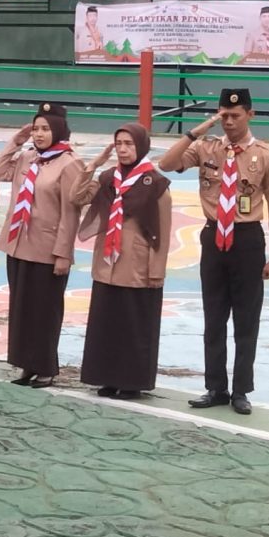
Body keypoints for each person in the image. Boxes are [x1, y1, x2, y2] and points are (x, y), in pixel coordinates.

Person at [159, 88, 269, 415]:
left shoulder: (265, 155)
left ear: (250, 115)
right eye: (224, 116)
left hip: (247, 240)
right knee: (213, 317)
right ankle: (215, 387)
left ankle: (241, 390)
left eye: (235, 116)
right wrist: (196, 131)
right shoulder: (206, 148)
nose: (229, 122)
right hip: (213, 238)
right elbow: (166, 163)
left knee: (247, 320)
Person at [72, 123, 172, 398]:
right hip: (107, 264)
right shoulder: (107, 178)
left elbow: (162, 231)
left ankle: (131, 382)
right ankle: (107, 377)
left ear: (141, 146)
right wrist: (93, 164)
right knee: (107, 323)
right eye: (119, 144)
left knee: (134, 325)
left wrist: (156, 271)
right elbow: (77, 197)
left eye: (129, 144)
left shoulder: (156, 183)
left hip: (138, 265)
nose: (124, 149)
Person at [0, 102, 83, 388]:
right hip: (18, 244)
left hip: (47, 249)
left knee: (45, 310)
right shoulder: (27, 158)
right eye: (36, 128)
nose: (39, 134)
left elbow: (71, 211)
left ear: (59, 131)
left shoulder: (70, 163)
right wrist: (16, 141)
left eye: (45, 129)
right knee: (21, 309)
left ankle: (46, 366)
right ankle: (26, 364)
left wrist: (63, 253)